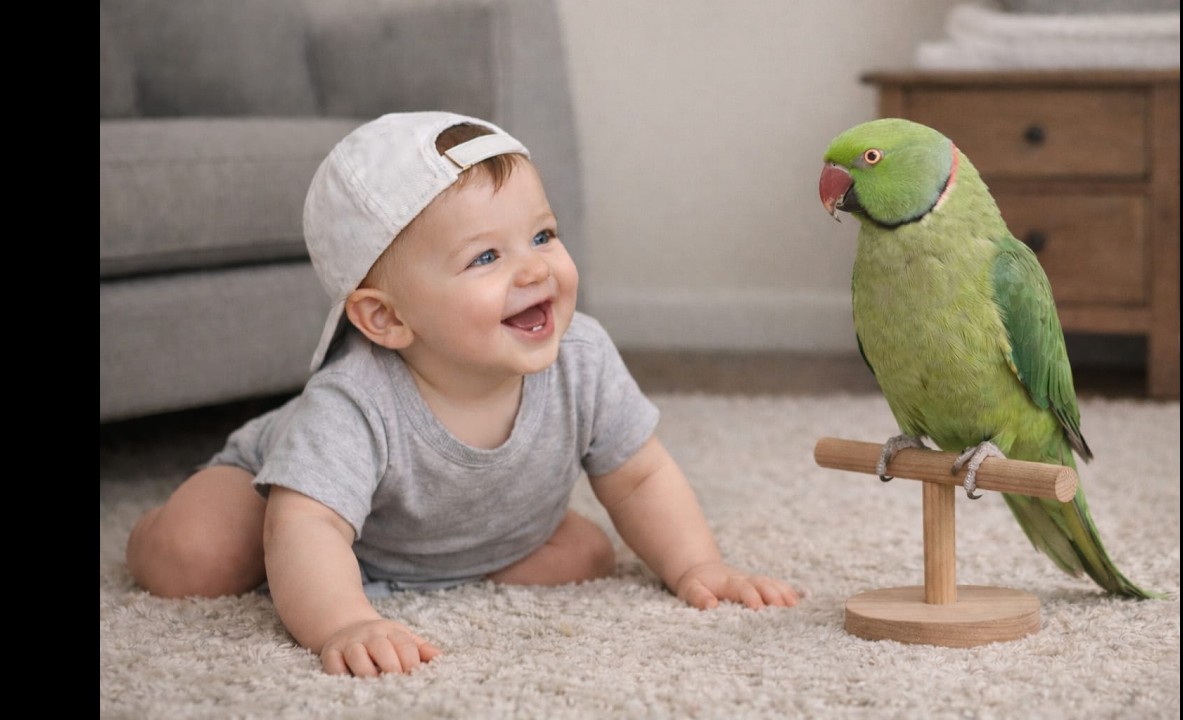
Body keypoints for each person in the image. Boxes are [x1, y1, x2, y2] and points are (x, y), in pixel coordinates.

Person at [125, 111, 801, 677]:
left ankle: (427, 567)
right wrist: (347, 620)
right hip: (286, 496)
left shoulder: (582, 356)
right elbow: (310, 524)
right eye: (486, 257)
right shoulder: (353, 400)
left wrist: (698, 565)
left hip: (472, 528)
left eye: (542, 235)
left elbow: (639, 477)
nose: (534, 267)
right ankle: (180, 536)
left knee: (588, 555)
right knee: (197, 558)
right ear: (386, 318)